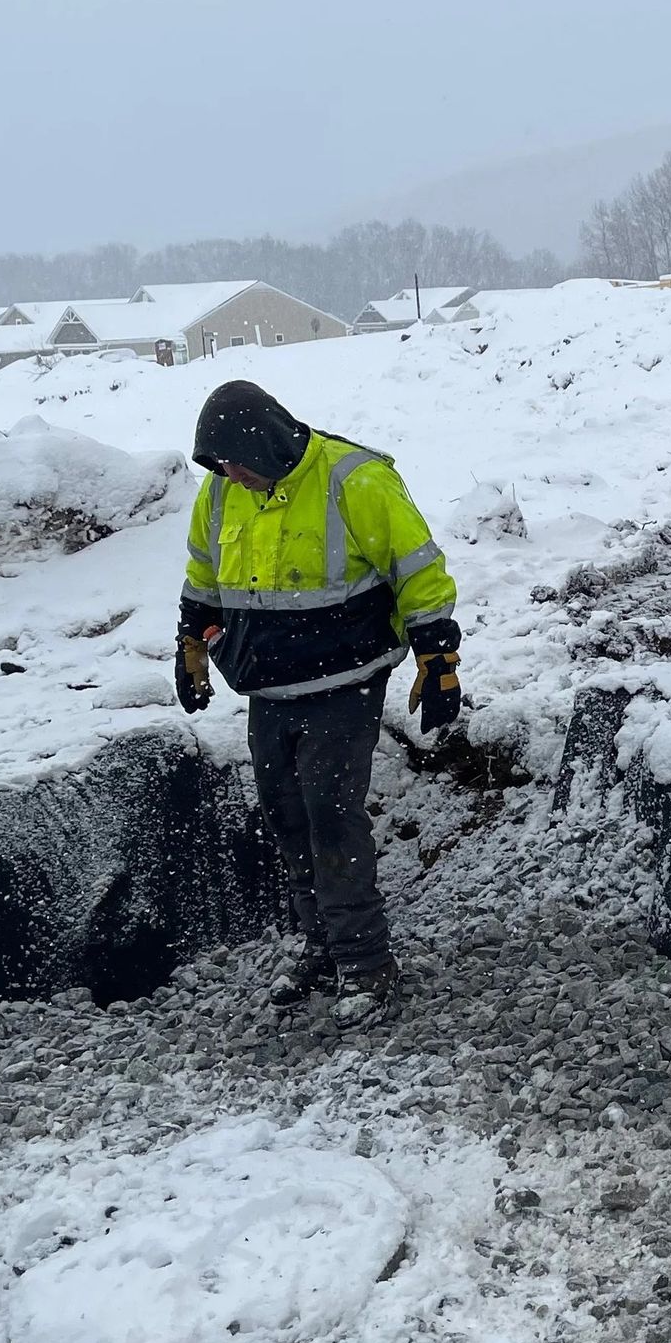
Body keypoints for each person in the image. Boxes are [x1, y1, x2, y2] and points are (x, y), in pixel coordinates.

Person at [174, 379, 462, 1018]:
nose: (231, 475)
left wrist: (437, 658)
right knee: (285, 816)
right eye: (220, 465)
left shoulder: (354, 480)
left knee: (331, 817)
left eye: (238, 463)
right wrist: (191, 640)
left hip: (344, 680)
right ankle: (320, 946)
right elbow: (203, 572)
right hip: (266, 685)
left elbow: (419, 571)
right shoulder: (222, 490)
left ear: (269, 444)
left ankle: (365, 964)